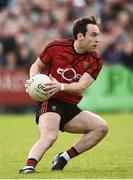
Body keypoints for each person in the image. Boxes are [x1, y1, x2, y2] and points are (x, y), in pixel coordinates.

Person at [19, 15, 109, 174]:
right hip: (51, 100)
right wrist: (33, 81)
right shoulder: (56, 46)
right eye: (93, 35)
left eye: (98, 35)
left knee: (101, 127)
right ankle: (28, 167)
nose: (97, 39)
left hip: (71, 107)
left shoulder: (96, 60)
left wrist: (60, 86)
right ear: (80, 36)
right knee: (50, 136)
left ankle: (63, 158)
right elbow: (36, 66)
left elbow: (81, 86)